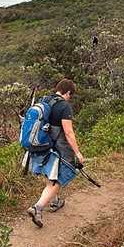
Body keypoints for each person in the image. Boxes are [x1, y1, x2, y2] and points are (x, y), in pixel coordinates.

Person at [26, 79, 85, 228]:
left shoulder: (45, 100)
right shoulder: (64, 106)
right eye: (70, 95)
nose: (69, 98)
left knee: (50, 173)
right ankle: (37, 207)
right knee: (60, 177)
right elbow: (68, 132)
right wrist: (77, 153)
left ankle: (55, 201)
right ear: (68, 92)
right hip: (60, 147)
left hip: (44, 145)